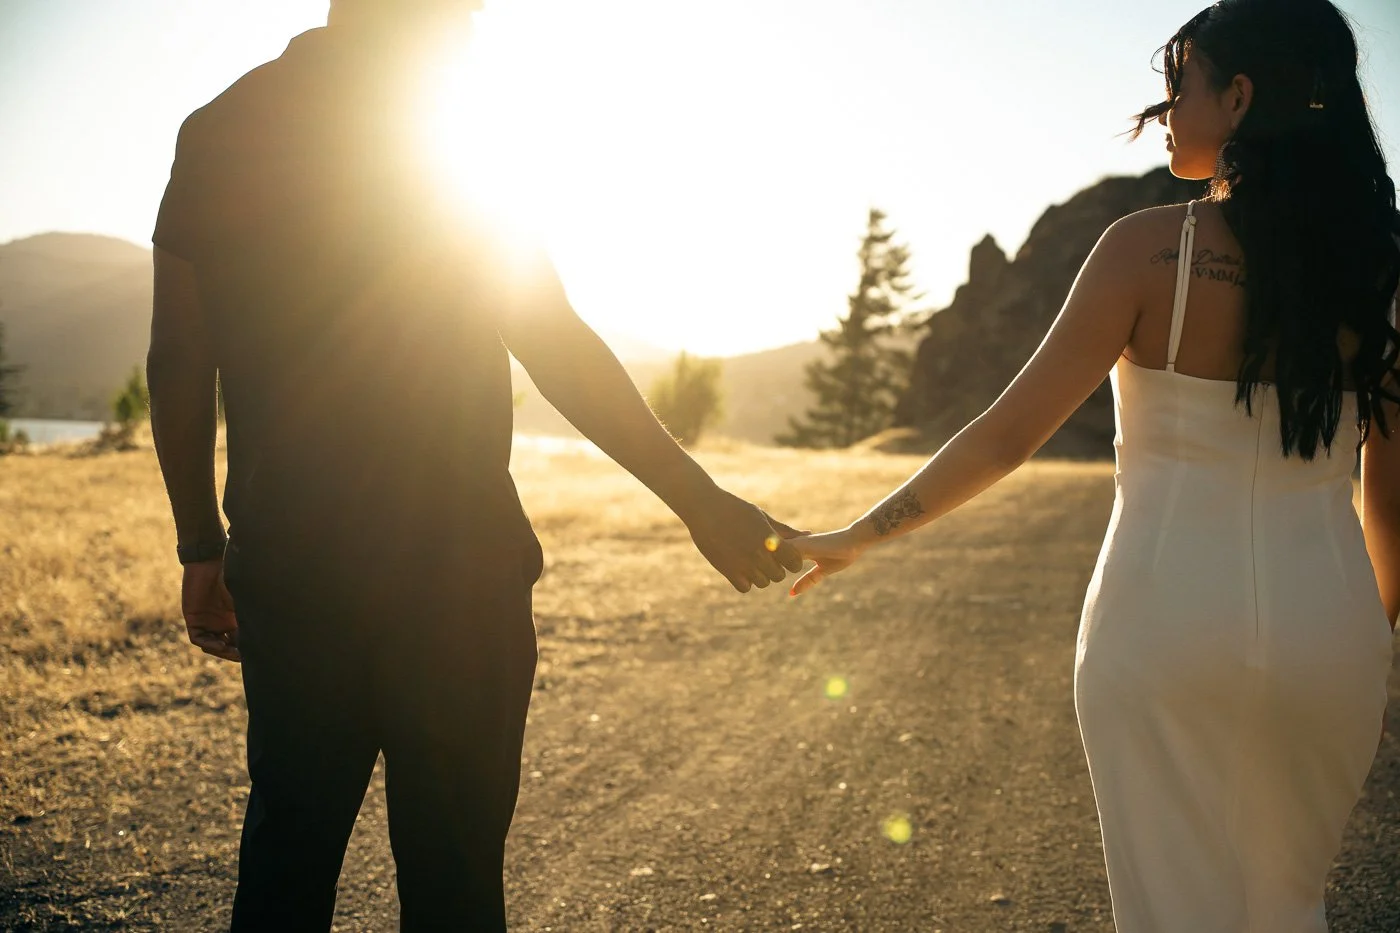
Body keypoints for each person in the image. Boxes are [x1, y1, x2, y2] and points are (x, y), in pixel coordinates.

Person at [145, 1, 803, 929]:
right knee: (454, 882)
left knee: (286, 862)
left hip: (294, 572)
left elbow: (179, 356)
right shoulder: (450, 130)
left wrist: (200, 544)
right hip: (459, 580)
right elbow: (550, 337)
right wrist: (698, 500)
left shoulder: (222, 127)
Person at [790, 1, 1399, 929]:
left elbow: (1006, 434)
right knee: (1288, 903)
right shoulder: (1380, 276)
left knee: (1175, 910)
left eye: (1180, 85)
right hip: (1332, 632)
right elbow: (1389, 504)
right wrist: (1358, 634)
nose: (1164, 112)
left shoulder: (1146, 250)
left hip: (1160, 624)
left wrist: (860, 535)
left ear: (1238, 98)